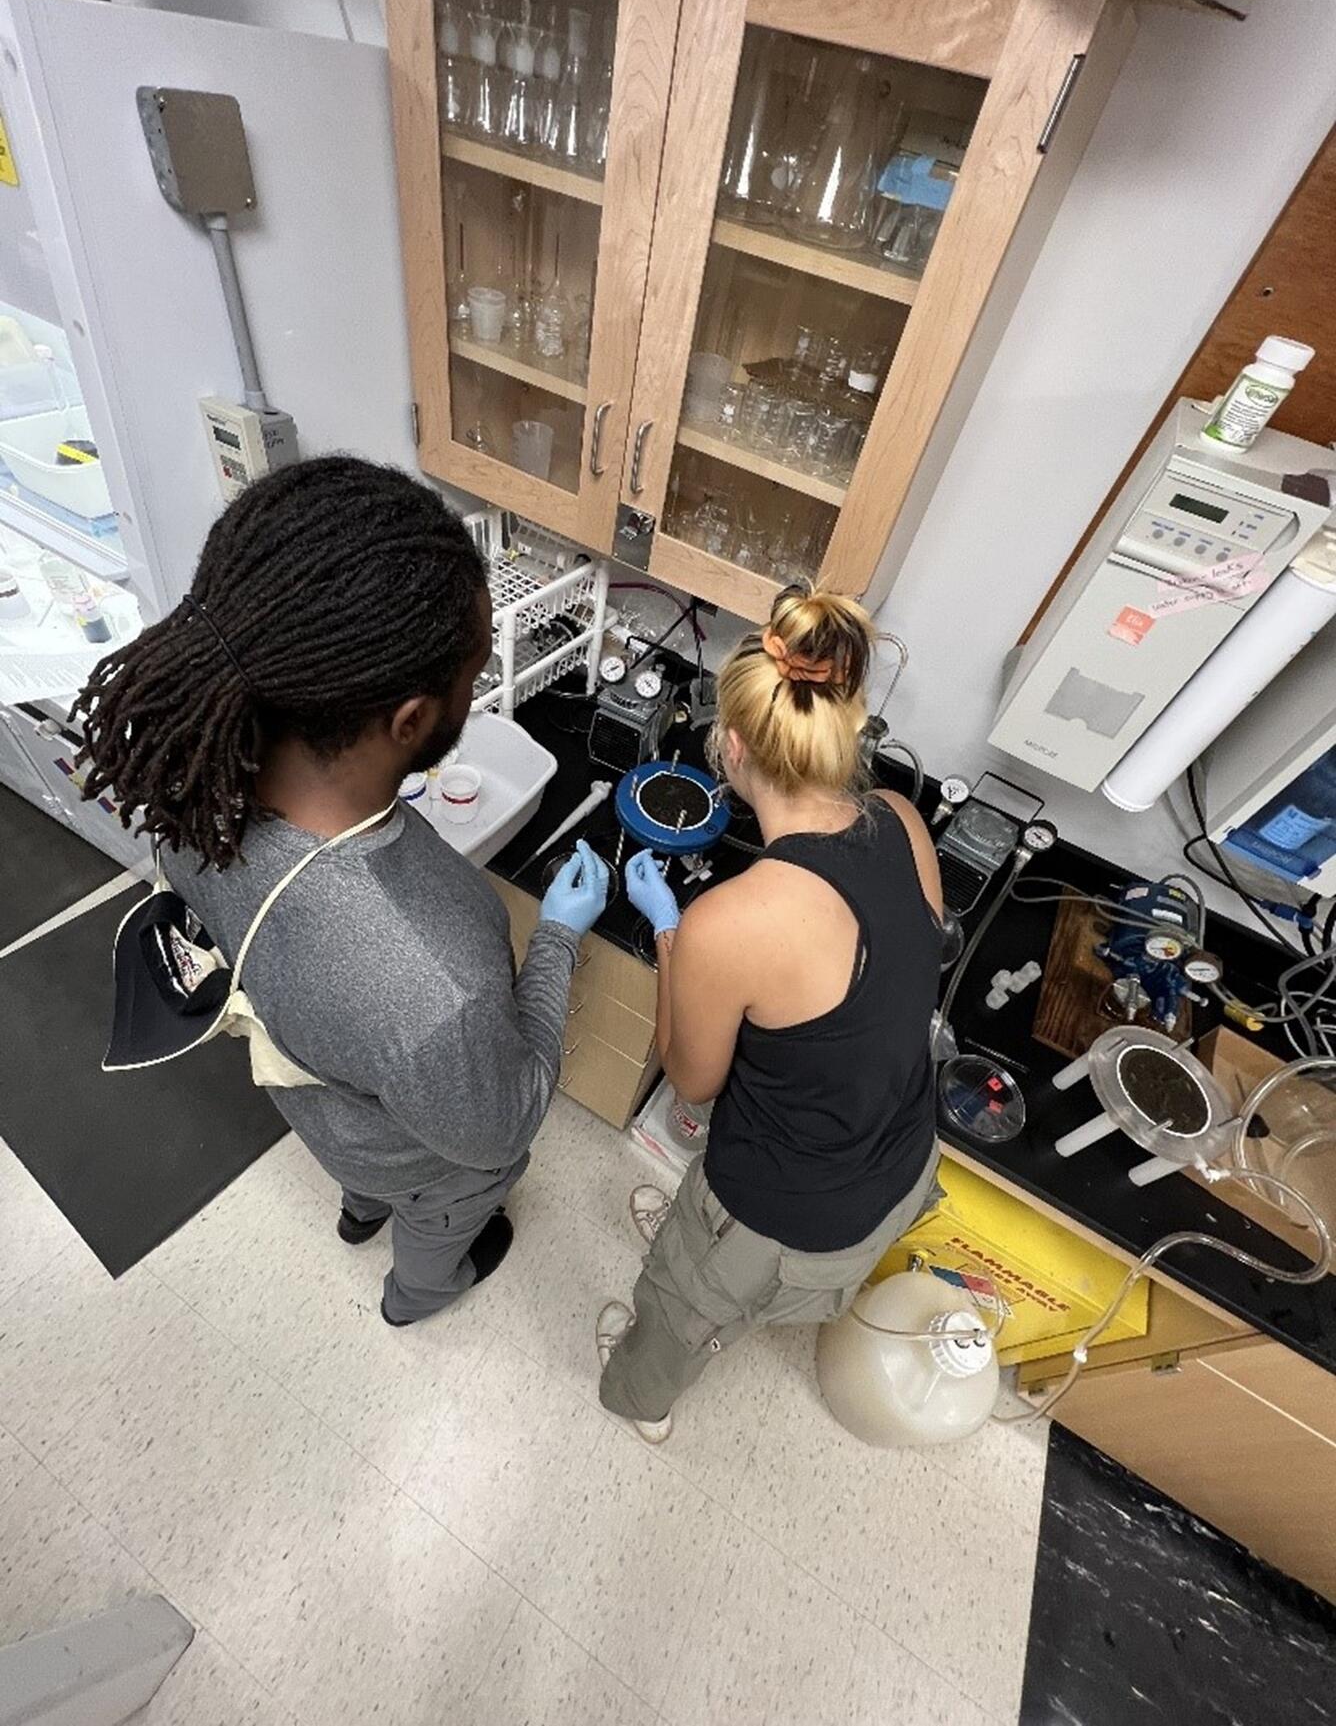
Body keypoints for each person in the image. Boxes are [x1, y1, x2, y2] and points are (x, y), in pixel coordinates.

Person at [75, 457, 607, 1325]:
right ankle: (417, 1292)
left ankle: (360, 1205)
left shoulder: (192, 793)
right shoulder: (434, 981)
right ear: (407, 722)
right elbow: (501, 1122)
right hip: (427, 1166)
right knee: (445, 1217)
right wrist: (557, 937)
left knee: (363, 1150)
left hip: (321, 1115)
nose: (473, 695)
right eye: (471, 678)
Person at [597, 585, 944, 1440]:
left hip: (778, 1216)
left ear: (733, 743)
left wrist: (674, 929)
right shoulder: (901, 819)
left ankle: (642, 1397)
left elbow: (692, 1083)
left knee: (679, 1311)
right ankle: (697, 1233)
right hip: (898, 1168)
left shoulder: (735, 922)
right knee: (715, 1253)